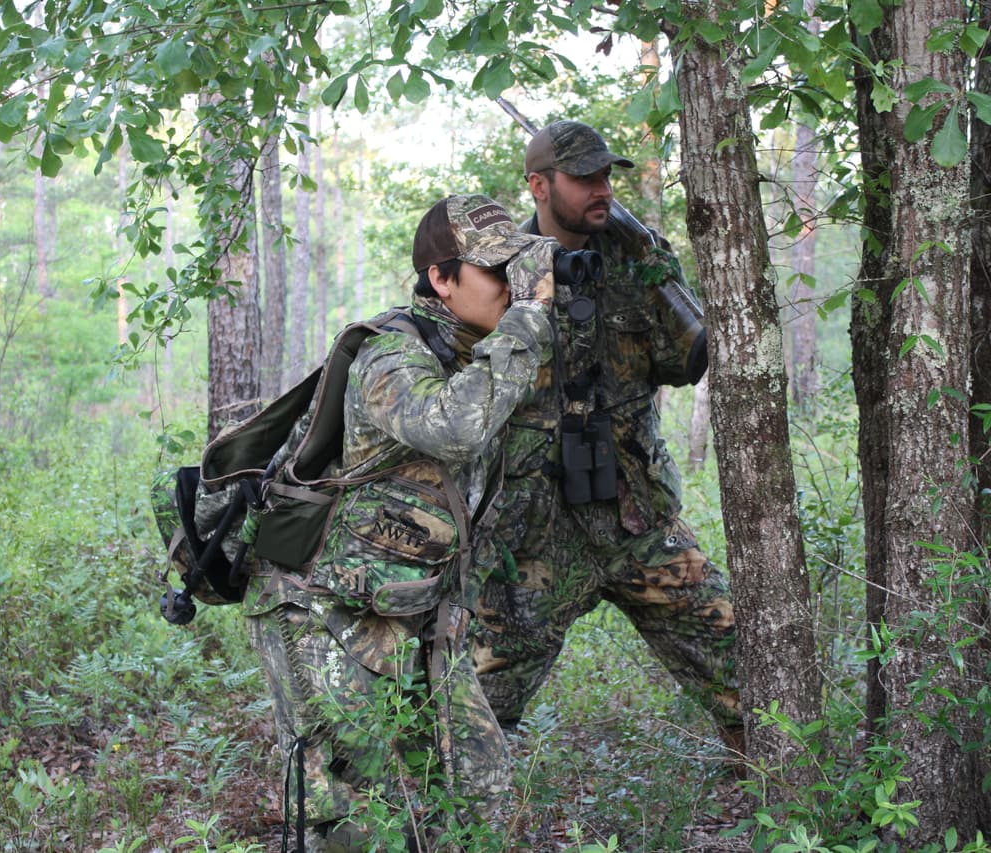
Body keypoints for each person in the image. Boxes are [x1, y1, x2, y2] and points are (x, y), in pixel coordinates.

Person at [243, 194, 557, 852]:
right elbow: (452, 426)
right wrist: (528, 322)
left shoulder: (482, 352)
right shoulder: (391, 355)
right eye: (495, 271)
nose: (512, 287)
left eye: (516, 270)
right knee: (353, 821)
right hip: (319, 610)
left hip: (413, 611)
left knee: (486, 793)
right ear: (441, 279)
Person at [471, 120, 744, 762]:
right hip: (532, 534)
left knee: (742, 662)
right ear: (539, 186)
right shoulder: (493, 270)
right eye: (584, 177)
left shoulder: (638, 261)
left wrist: (652, 260)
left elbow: (687, 360)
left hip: (635, 518)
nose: (602, 188)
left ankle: (781, 793)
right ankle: (449, 821)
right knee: (475, 712)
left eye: (606, 176)